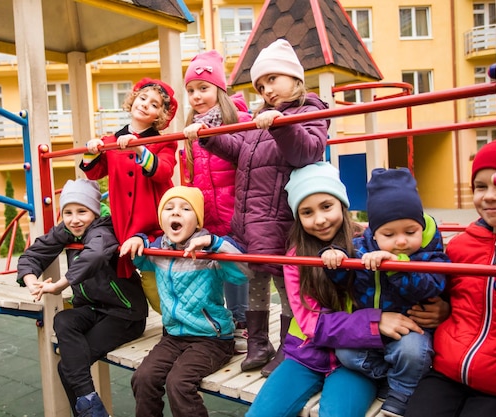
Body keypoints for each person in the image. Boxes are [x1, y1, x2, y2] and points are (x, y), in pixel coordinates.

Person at [247, 162, 425, 417]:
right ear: (298, 217)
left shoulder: (370, 245)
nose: (319, 220)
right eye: (307, 212)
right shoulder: (297, 257)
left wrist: (438, 308)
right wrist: (375, 323)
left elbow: (409, 276)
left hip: (357, 360)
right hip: (306, 355)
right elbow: (311, 324)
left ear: (342, 204)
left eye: (327, 207)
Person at [197, 38, 330, 376]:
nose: (267, 89)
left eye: (272, 79)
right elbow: (239, 150)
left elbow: (309, 151)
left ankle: (288, 345)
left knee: (286, 284)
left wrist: (280, 126)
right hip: (251, 218)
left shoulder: (310, 110)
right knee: (256, 280)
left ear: (293, 77)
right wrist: (208, 137)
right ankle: (258, 341)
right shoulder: (260, 118)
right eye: (260, 85)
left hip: (281, 217)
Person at [322, 168, 449, 417]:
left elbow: (434, 285)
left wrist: (397, 267)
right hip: (371, 328)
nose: (401, 241)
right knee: (345, 353)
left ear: (421, 227)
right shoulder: (361, 248)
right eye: (389, 235)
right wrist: (334, 259)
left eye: (410, 232)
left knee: (414, 353)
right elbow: (343, 279)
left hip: (409, 330)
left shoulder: (429, 255)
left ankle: (401, 393)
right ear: (374, 233)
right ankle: (388, 377)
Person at [17, 179, 147, 417]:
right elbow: (33, 254)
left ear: (94, 212)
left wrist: (60, 284)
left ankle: (90, 411)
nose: (74, 219)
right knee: (64, 320)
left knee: (68, 369)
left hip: (124, 314)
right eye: (68, 212)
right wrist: (30, 279)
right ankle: (91, 406)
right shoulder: (67, 231)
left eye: (82, 212)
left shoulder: (104, 230)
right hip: (92, 310)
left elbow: (95, 255)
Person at [119, 186, 249, 417]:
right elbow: (140, 258)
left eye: (185, 208)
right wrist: (138, 239)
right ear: (162, 220)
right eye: (169, 208)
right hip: (173, 336)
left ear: (197, 222)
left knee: (178, 384)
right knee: (143, 378)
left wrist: (215, 244)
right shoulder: (160, 250)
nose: (176, 213)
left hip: (212, 339)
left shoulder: (210, 252)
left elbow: (243, 271)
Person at [406, 140, 496, 417]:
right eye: (481, 187)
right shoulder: (461, 246)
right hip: (448, 370)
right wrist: (445, 310)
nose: (489, 196)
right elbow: (452, 297)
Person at [81, 78, 178, 314]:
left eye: (154, 104)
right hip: (124, 225)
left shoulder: (163, 142)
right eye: (143, 98)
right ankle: (132, 314)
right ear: (133, 100)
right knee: (125, 274)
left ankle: (172, 319)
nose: (145, 105)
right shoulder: (111, 142)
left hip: (154, 225)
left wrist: (139, 149)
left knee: (157, 281)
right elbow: (94, 172)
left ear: (159, 116)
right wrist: (91, 150)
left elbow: (164, 170)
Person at [181, 49, 252, 352]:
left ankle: (243, 322)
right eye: (191, 91)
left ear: (219, 90)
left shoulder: (239, 120)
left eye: (203, 88)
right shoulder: (190, 134)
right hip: (208, 214)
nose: (196, 96)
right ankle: (222, 322)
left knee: (237, 268)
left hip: (234, 210)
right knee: (215, 269)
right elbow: (189, 176)